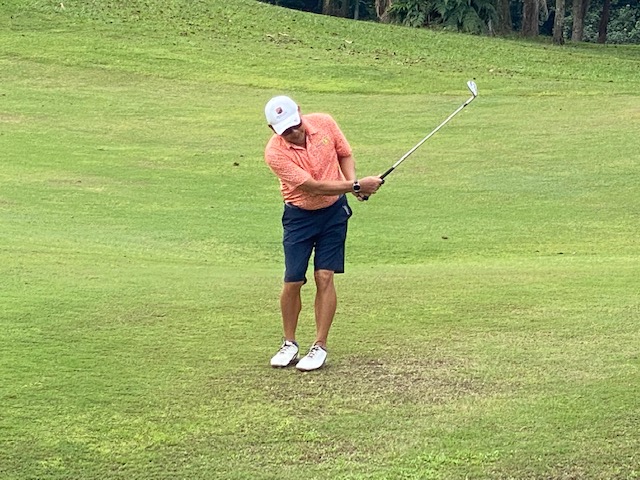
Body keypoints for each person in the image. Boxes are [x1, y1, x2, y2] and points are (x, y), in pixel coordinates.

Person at [263, 95, 384, 371]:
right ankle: (289, 343)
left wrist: (352, 183)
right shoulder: (274, 153)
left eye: (295, 124)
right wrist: (356, 186)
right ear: (273, 130)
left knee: (325, 276)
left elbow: (344, 153)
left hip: (333, 214)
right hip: (299, 217)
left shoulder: (325, 123)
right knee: (293, 280)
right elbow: (313, 187)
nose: (294, 132)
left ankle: (319, 345)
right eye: (286, 131)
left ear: (300, 112)